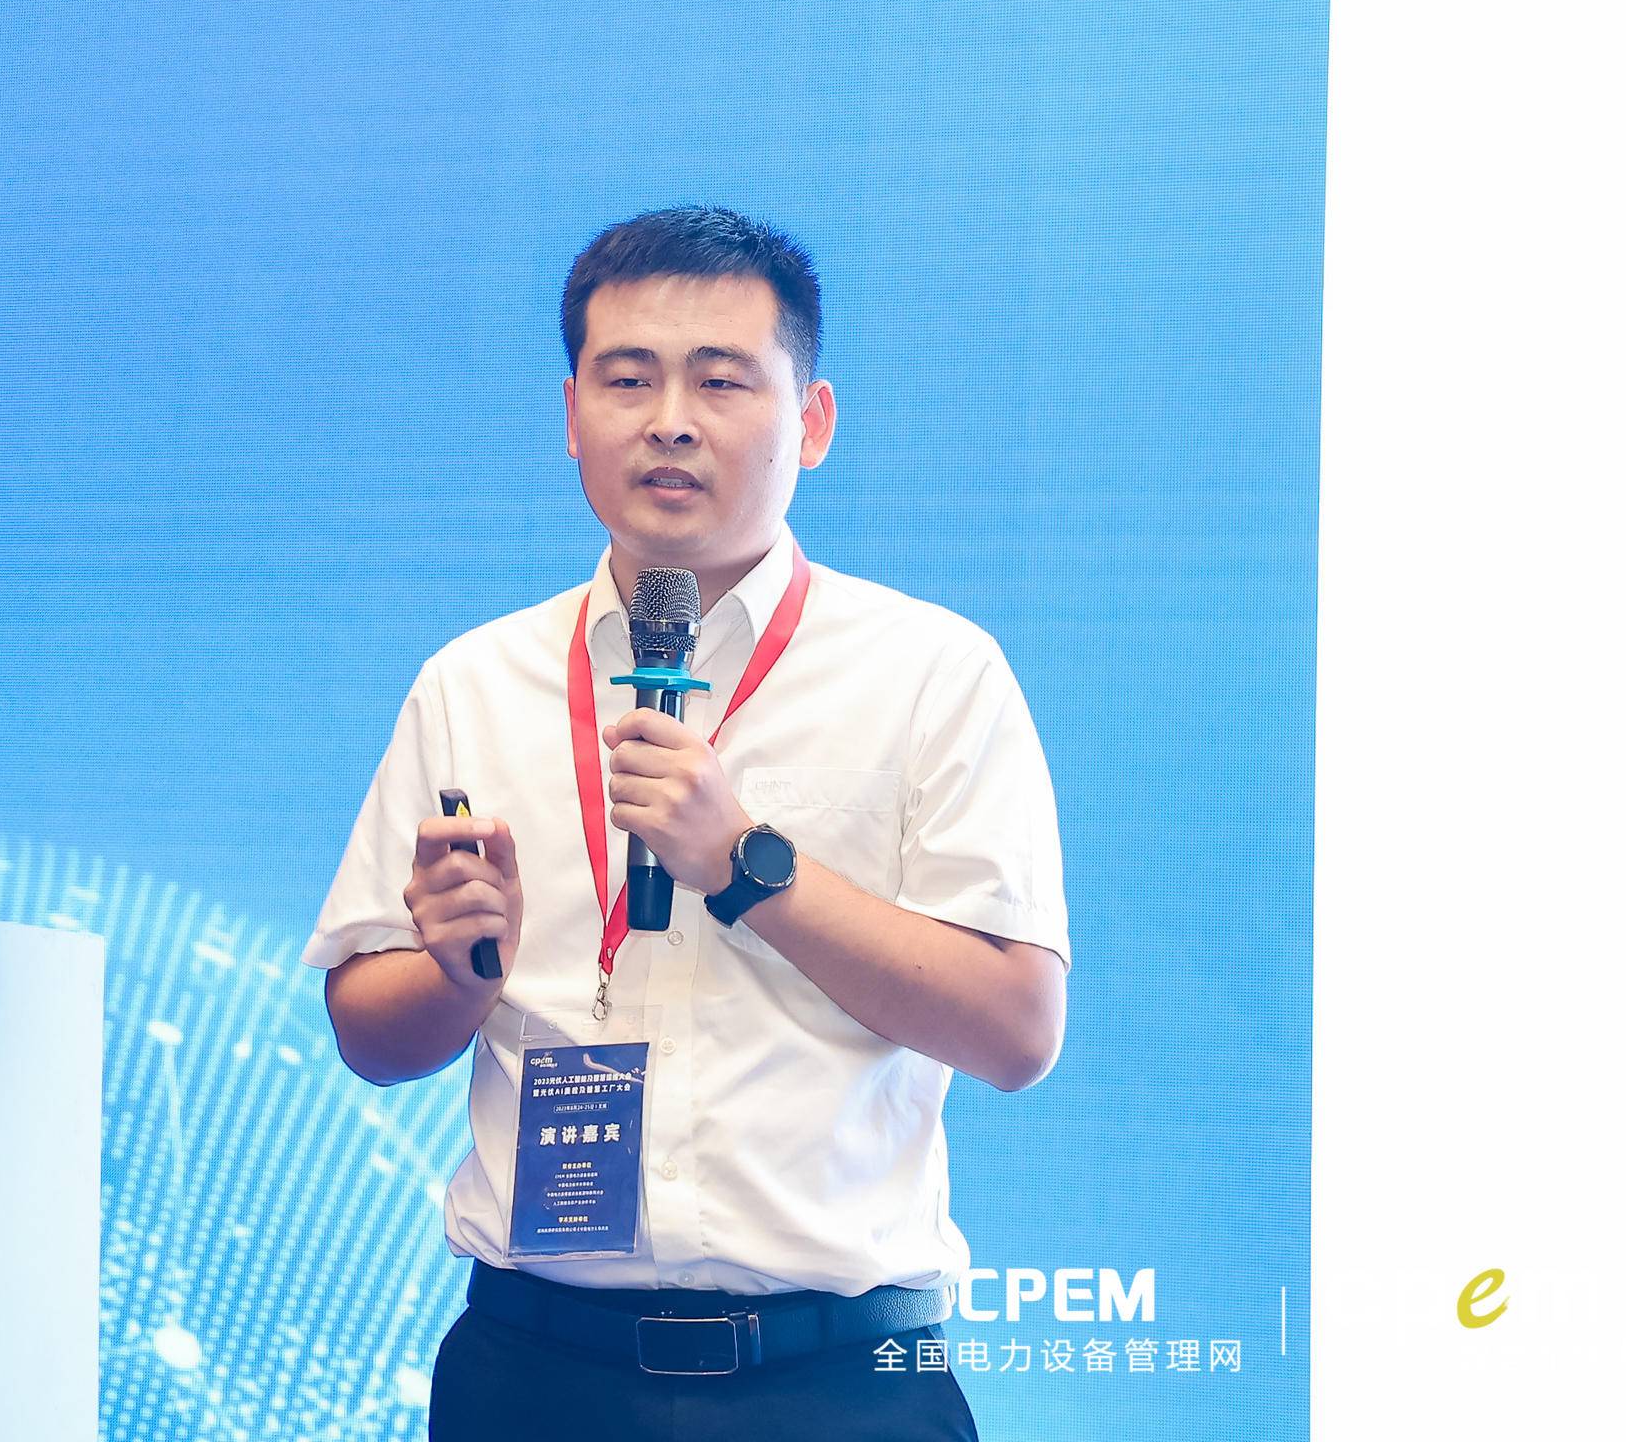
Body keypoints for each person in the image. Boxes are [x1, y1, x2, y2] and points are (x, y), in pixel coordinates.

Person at [305, 207, 1069, 1440]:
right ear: (572, 417)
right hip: (537, 1373)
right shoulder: (473, 683)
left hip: (838, 1381)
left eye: (720, 380)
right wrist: (456, 972)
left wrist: (747, 869)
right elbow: (367, 1037)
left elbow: (1017, 1032)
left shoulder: (932, 672)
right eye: (628, 380)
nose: (670, 420)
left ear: (811, 421)